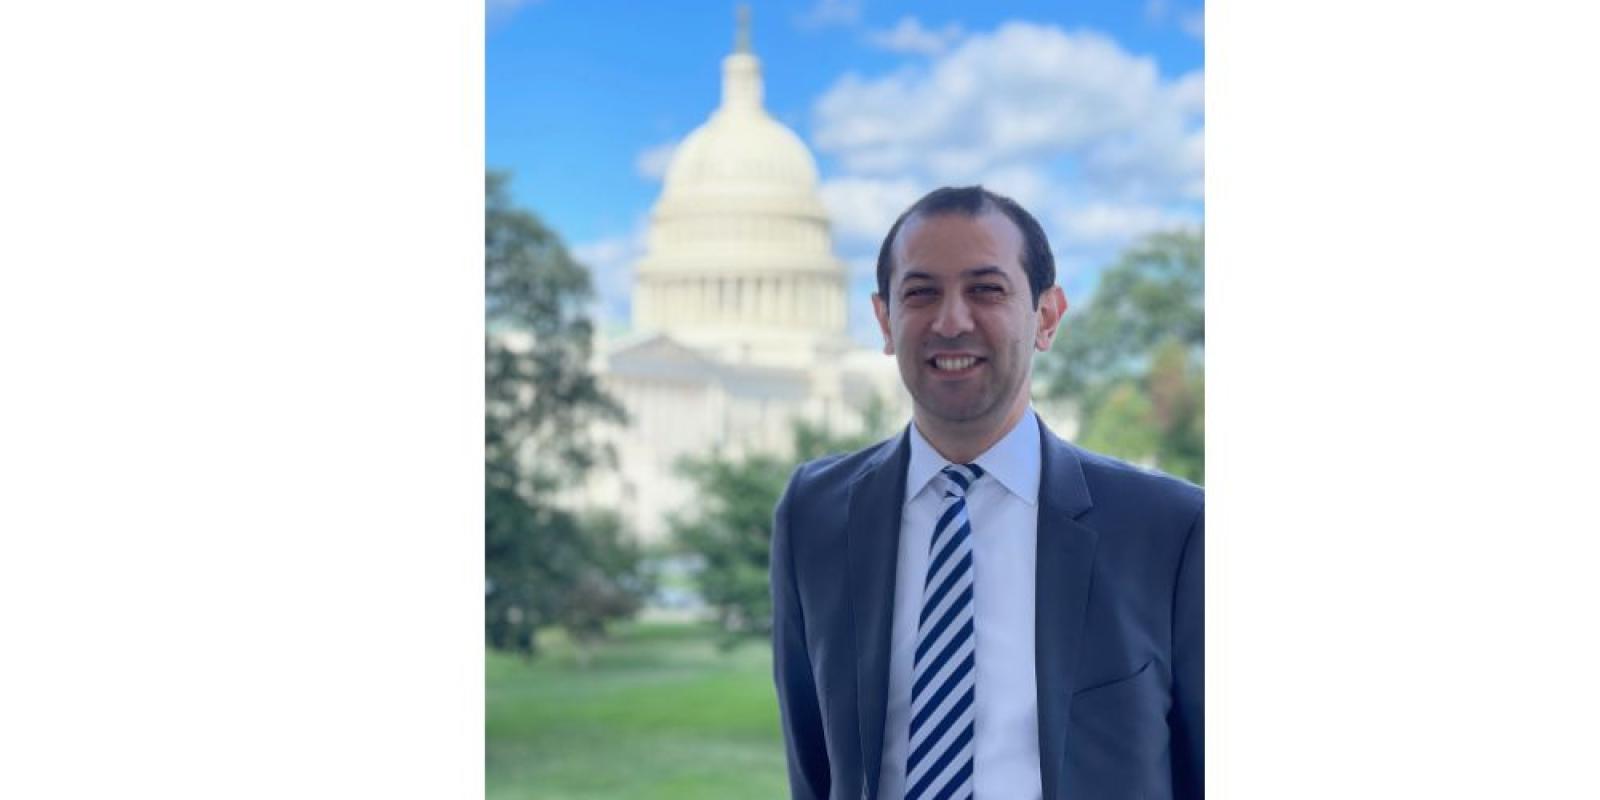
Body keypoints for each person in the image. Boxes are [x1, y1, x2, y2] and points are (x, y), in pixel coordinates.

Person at [769, 186, 1203, 800]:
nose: (951, 321)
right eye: (921, 293)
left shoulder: (1170, 530)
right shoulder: (816, 514)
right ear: (885, 321)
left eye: (986, 290)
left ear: (1046, 317)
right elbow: (814, 766)